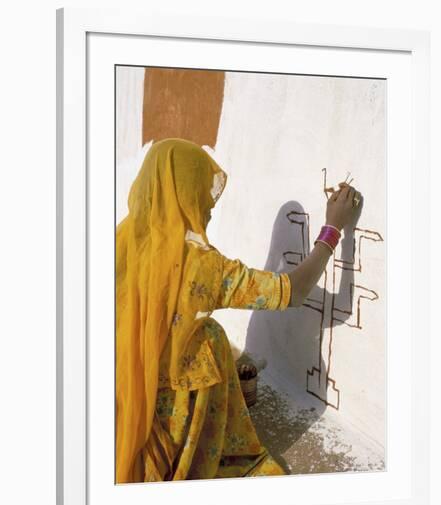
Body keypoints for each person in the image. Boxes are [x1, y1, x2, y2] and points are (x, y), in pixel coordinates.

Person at [116, 137, 361, 483]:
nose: (210, 206)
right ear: (183, 191)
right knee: (212, 338)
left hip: (122, 399)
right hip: (168, 413)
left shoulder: (119, 241)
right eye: (202, 190)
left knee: (208, 334)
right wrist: (334, 229)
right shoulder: (202, 267)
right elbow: (291, 291)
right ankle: (190, 444)